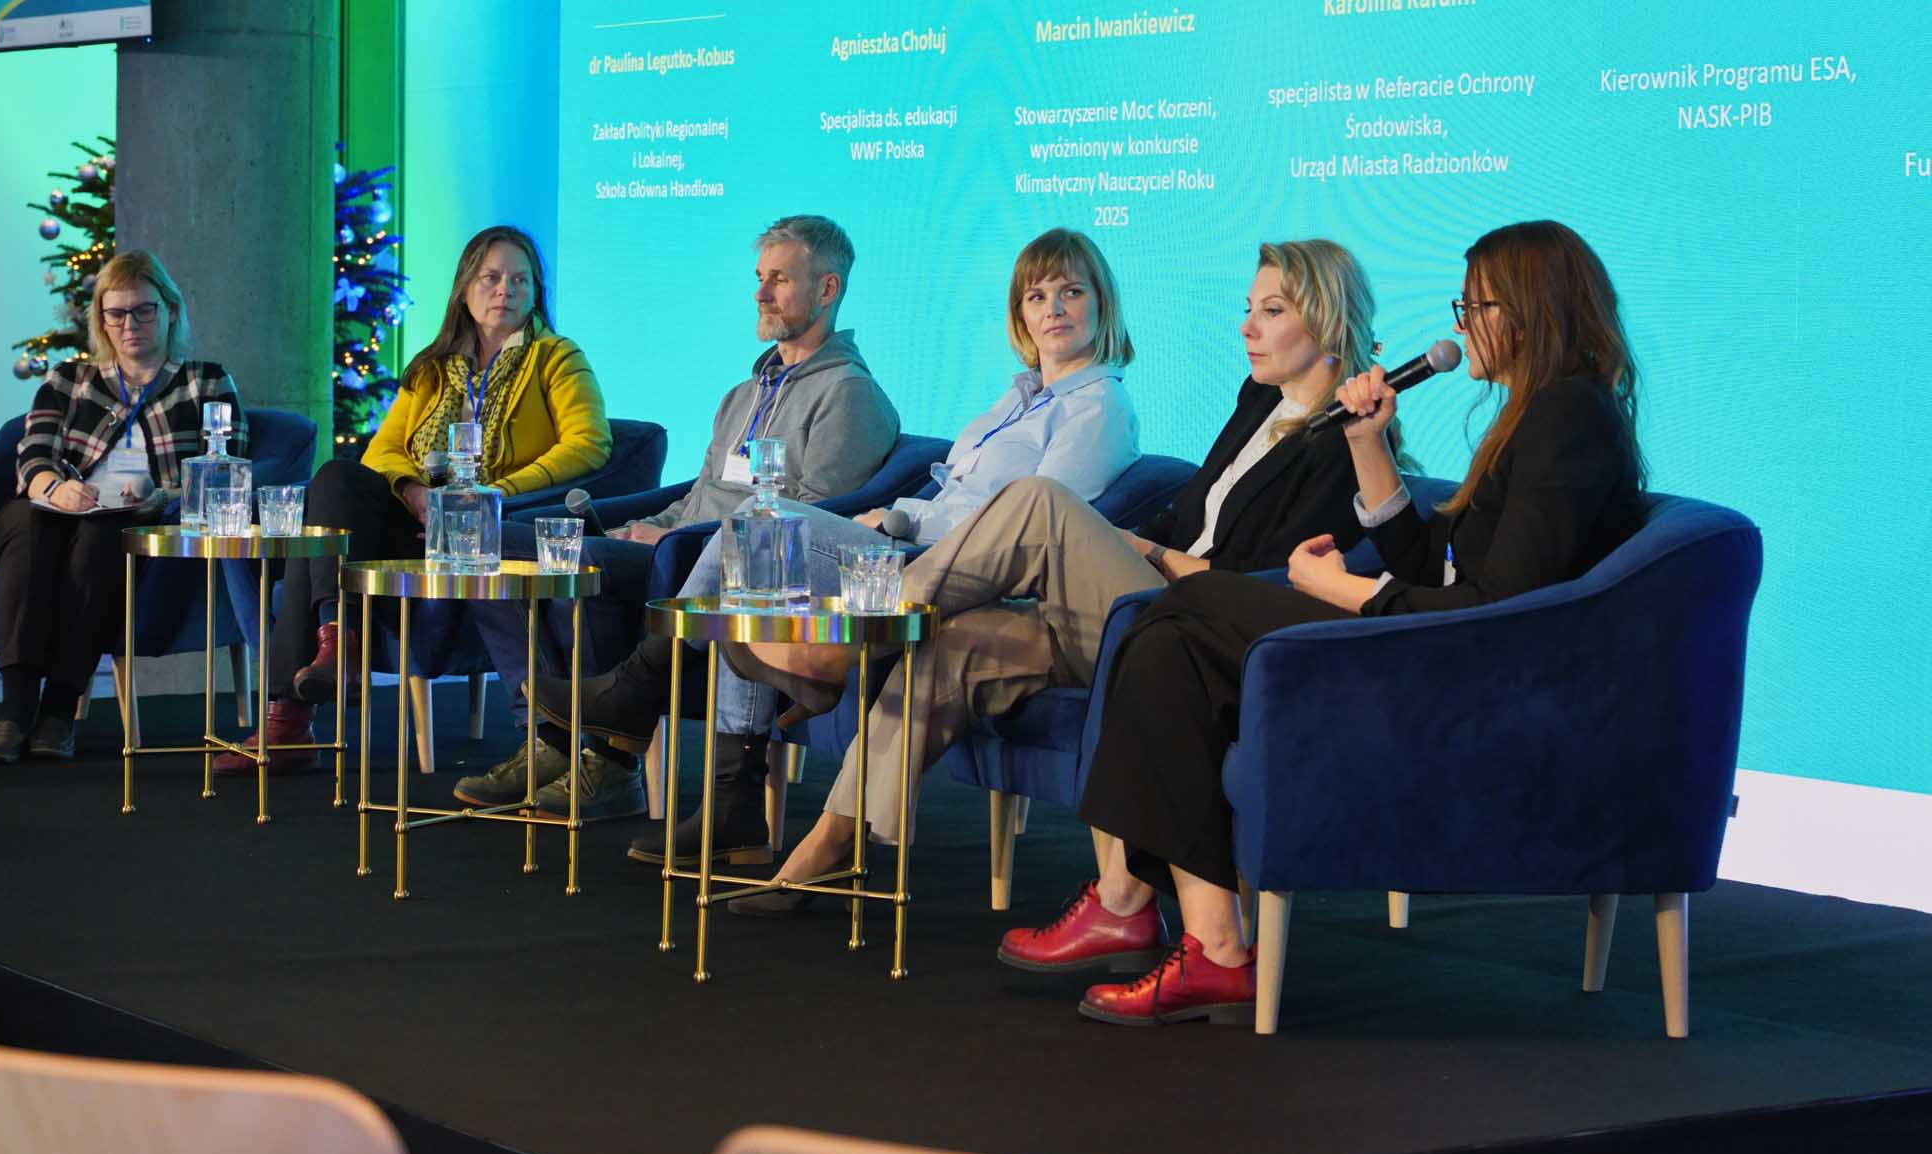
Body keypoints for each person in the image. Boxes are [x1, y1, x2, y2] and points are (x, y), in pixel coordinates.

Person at [1018, 219, 1647, 1026]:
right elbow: (1433, 563)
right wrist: (1368, 442)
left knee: (1183, 608)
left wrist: (1344, 589)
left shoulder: (1568, 418)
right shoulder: (1537, 412)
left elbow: (1494, 606)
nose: (1462, 326)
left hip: (1466, 673)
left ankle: (1141, 906)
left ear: (1531, 310)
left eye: (1477, 306)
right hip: (1437, 640)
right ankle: (1210, 945)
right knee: (1169, 635)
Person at [719, 239, 1394, 912]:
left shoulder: (1348, 442)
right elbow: (1187, 518)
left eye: (1271, 311)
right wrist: (1144, 542)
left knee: (1037, 500)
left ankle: (856, 637)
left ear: (1327, 317)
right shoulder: (1258, 403)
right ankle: (829, 848)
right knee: (953, 643)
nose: (1245, 327)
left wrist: (1150, 554)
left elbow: (1273, 585)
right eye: (1248, 308)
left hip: (1201, 625)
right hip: (1138, 606)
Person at [550, 227, 1143, 868]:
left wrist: (904, 518)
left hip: (960, 572)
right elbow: (957, 493)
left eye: (1070, 292)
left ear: (1101, 303)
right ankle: (729, 798)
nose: (1053, 310)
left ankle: (647, 695)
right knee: (754, 552)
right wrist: (898, 516)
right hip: (912, 546)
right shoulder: (1018, 398)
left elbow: (1031, 527)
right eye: (1036, 296)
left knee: (757, 527)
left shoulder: (1098, 407)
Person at [451, 214, 900, 821]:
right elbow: (701, 492)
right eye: (759, 277)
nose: (761, 293)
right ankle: (552, 739)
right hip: (678, 545)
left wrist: (670, 539)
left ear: (827, 289)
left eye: (780, 280)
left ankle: (604, 760)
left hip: (730, 568)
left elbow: (811, 519)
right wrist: (650, 525)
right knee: (497, 543)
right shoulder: (745, 394)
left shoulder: (849, 393)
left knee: (585, 565)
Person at [217, 224, 611, 774]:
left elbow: (589, 443)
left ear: (536, 291)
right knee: (336, 479)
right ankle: (336, 646)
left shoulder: (556, 357)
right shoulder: (434, 365)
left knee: (317, 546)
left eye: (520, 280)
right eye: (491, 278)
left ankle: (293, 712)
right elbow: (383, 450)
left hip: (486, 526)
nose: (505, 290)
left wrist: (493, 494)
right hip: (417, 520)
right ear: (464, 289)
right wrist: (415, 492)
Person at [0, 250, 243, 764]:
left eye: (143, 310)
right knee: (28, 524)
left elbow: (228, 466)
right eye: (116, 313)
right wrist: (54, 488)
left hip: (141, 516)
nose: (129, 325)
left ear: (169, 311)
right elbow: (33, 454)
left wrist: (161, 495)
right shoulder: (69, 380)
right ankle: (13, 712)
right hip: (57, 507)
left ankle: (58, 712)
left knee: (102, 538)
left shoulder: (205, 381)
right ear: (101, 319)